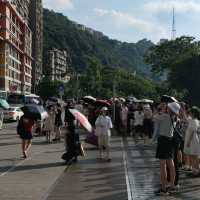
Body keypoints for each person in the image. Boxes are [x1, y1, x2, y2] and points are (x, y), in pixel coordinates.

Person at [155, 102, 180, 195]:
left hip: (163, 141)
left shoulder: (165, 116)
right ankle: (172, 186)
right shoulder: (175, 117)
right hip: (170, 141)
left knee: (162, 165)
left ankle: (164, 188)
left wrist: (160, 109)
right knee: (171, 164)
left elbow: (155, 117)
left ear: (170, 109)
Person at [184, 106, 200, 176]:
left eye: (190, 112)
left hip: (193, 140)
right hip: (192, 140)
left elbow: (193, 132)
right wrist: (182, 109)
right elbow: (185, 119)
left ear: (193, 113)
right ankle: (195, 171)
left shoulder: (194, 121)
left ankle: (196, 171)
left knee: (194, 156)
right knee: (193, 156)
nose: (189, 113)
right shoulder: (192, 120)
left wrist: (188, 141)